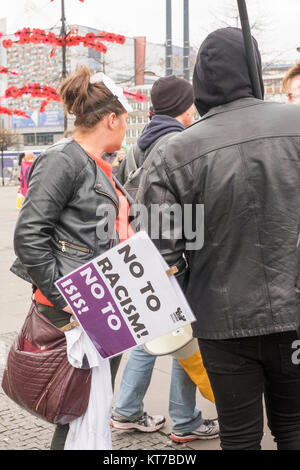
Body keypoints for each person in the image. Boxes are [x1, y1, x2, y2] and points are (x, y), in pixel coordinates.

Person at [140, 27, 300, 450]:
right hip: (296, 310)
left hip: (222, 320)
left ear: (201, 81)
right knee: (296, 427)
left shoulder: (174, 153)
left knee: (240, 435)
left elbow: (161, 250)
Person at [11, 65, 133, 450]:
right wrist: (71, 301)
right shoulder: (65, 158)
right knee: (76, 408)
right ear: (111, 119)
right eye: (126, 121)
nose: (126, 129)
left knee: (91, 409)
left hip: (100, 305)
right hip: (76, 307)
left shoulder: (99, 165)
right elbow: (29, 237)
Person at [111, 75, 219, 443]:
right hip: (176, 253)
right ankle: (185, 420)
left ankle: (126, 410)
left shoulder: (139, 146)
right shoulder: (180, 142)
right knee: (184, 335)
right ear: (185, 108)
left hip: (141, 252)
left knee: (154, 331)